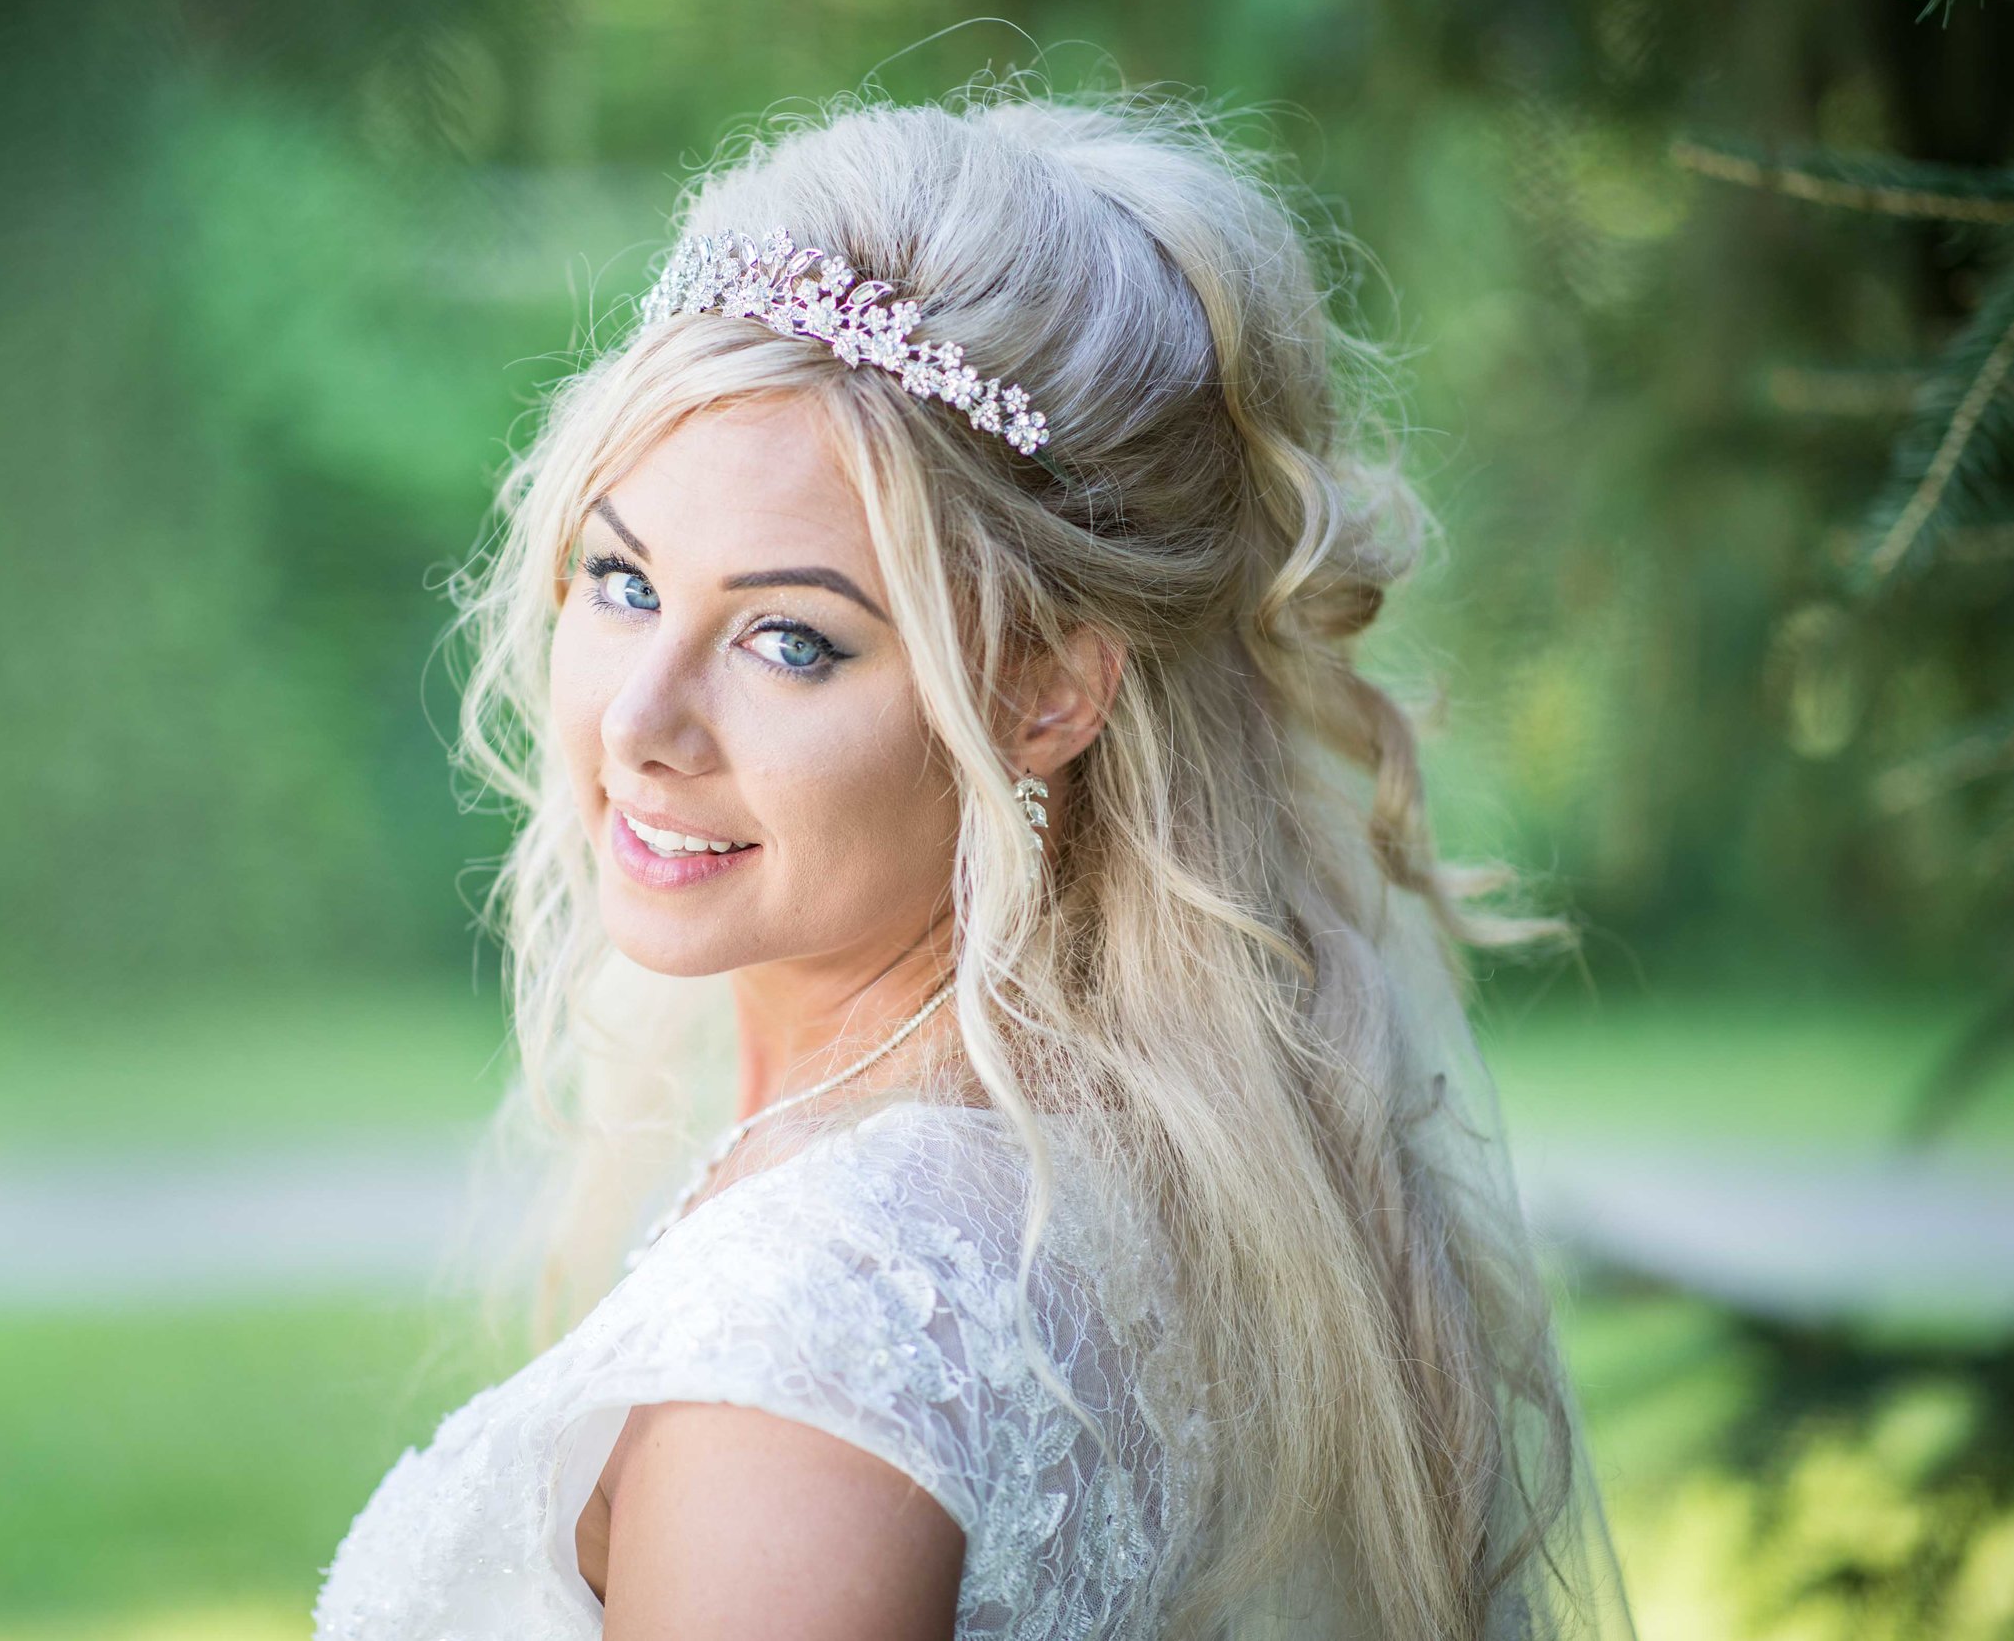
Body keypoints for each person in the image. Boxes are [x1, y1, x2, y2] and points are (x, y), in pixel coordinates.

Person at [312, 80, 1641, 1641]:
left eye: (790, 640)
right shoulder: (1100, 1172)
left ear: (1046, 692)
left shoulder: (803, 1360)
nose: (642, 723)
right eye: (622, 578)